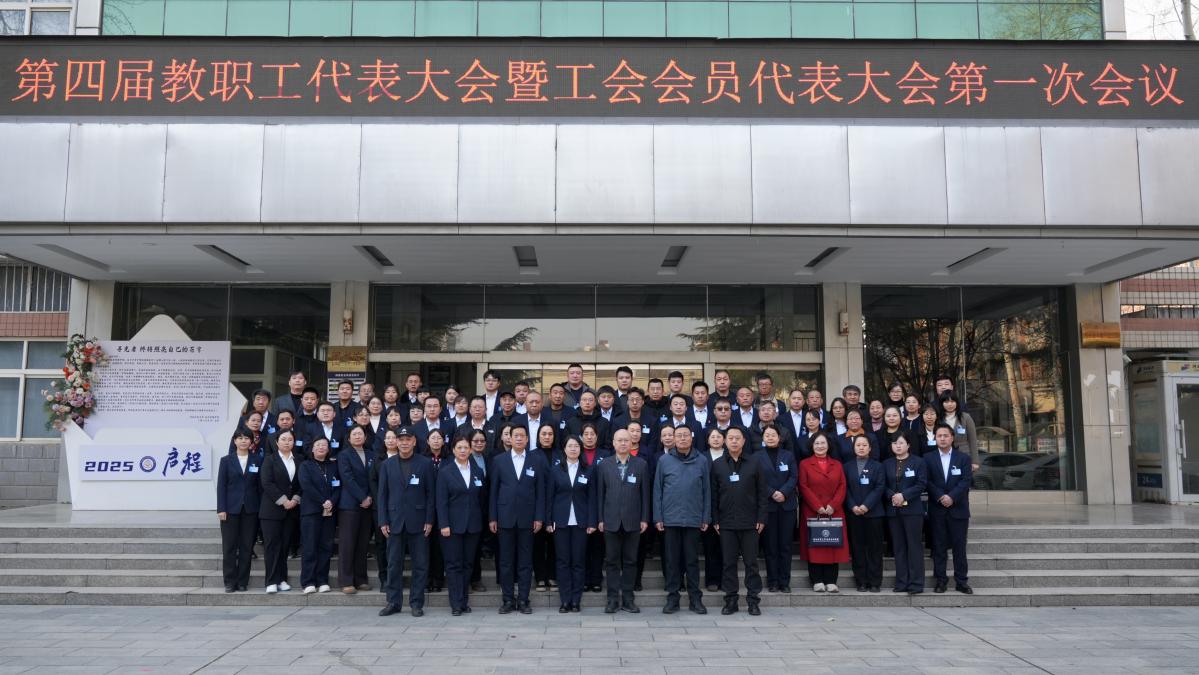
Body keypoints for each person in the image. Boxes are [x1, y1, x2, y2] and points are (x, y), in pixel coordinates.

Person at [710, 423, 768, 616]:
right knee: (728, 563)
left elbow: (762, 493)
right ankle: (731, 600)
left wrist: (761, 517)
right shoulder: (717, 464)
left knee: (751, 563)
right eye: (730, 438)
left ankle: (753, 600)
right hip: (726, 522)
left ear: (743, 441)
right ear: (725, 441)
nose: (734, 441)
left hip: (750, 522)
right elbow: (714, 495)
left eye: (737, 438)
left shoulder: (754, 463)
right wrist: (715, 519)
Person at [378, 426, 436, 617]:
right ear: (396, 442)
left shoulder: (425, 464)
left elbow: (431, 494)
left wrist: (429, 519)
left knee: (420, 564)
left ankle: (416, 603)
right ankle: (393, 602)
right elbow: (382, 495)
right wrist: (383, 520)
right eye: (401, 439)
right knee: (394, 564)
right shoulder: (387, 465)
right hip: (394, 521)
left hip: (419, 521)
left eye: (407, 439)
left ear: (414, 441)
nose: (404, 443)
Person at [489, 425, 548, 614]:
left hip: (528, 519)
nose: (519, 439)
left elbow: (540, 492)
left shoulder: (536, 460)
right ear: (510, 438)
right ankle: (507, 599)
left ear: (527, 439)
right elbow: (493, 492)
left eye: (523, 436)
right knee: (506, 562)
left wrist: (539, 517)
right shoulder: (499, 460)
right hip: (504, 518)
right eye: (516, 436)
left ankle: (523, 599)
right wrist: (493, 517)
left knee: (525, 562)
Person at [653, 426, 710, 614]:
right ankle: (673, 598)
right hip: (670, 519)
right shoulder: (664, 460)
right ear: (674, 439)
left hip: (693, 518)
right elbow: (657, 490)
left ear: (691, 438)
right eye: (679, 436)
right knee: (672, 561)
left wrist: (705, 516)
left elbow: (707, 491)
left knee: (692, 561)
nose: (683, 438)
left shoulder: (702, 460)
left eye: (686, 435)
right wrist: (658, 516)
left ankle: (695, 599)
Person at [594, 429, 650, 613]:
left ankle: (628, 599)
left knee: (631, 561)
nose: (623, 443)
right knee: (611, 561)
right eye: (620, 440)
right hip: (610, 521)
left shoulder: (641, 464)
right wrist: (600, 518)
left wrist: (644, 518)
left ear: (632, 442)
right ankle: (612, 600)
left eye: (626, 440)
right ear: (613, 443)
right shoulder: (604, 465)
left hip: (633, 521)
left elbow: (645, 495)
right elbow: (600, 494)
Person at [437, 436, 487, 616]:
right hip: (452, 527)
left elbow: (482, 499)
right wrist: (444, 524)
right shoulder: (445, 472)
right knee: (453, 565)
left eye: (466, 447)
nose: (463, 450)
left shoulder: (477, 471)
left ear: (471, 450)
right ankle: (456, 603)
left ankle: (464, 601)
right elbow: (441, 501)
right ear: (453, 450)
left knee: (468, 564)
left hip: (473, 526)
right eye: (460, 447)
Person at [925, 423, 974, 594]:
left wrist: (951, 496)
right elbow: (927, 481)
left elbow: (966, 481)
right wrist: (941, 496)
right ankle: (941, 581)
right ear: (935, 438)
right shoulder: (928, 458)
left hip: (958, 509)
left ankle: (961, 581)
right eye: (939, 436)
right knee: (939, 547)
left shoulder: (964, 458)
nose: (943, 438)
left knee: (960, 548)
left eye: (946, 435)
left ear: (952, 438)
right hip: (937, 509)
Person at [798, 431, 849, 593]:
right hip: (813, 510)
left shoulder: (837, 464)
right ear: (812, 446)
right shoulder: (805, 464)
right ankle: (817, 580)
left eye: (823, 443)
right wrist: (817, 506)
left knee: (833, 543)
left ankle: (831, 580)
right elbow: (803, 486)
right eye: (817, 443)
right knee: (815, 545)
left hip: (834, 510)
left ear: (829, 445)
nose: (820, 446)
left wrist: (833, 505)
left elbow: (842, 486)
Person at [546, 435, 593, 613]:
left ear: (580, 449)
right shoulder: (555, 470)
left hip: (581, 522)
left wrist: (592, 521)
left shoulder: (588, 470)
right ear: (564, 449)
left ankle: (576, 600)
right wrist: (548, 520)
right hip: (561, 522)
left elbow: (592, 498)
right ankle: (565, 600)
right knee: (563, 561)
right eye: (570, 446)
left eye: (576, 446)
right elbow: (549, 497)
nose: (573, 449)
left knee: (578, 561)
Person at [217, 429, 262, 593]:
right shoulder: (226, 460)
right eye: (240, 438)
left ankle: (243, 581)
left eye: (247, 438)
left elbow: (260, 487)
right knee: (229, 547)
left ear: (251, 441)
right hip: (230, 509)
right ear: (234, 441)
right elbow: (221, 486)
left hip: (251, 509)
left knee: (246, 547)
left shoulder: (258, 459)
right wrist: (221, 508)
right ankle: (229, 582)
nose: (243, 441)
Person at [756, 424, 798, 593]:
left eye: (773, 435)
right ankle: (772, 581)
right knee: (770, 546)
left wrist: (784, 492)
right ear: (763, 438)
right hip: (768, 506)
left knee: (785, 546)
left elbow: (794, 476)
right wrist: (772, 493)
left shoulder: (788, 455)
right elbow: (756, 479)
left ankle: (784, 582)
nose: (770, 437)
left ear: (779, 438)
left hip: (787, 506)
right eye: (767, 435)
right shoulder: (757, 457)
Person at [259, 428, 301, 594]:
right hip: (271, 510)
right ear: (276, 442)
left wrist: (295, 500)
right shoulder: (269, 460)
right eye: (283, 439)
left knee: (284, 547)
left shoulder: (298, 460)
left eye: (290, 439)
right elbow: (267, 483)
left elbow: (300, 483)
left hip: (291, 511)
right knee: (272, 546)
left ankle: (282, 579)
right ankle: (270, 581)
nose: (287, 442)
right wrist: (284, 501)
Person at [885, 434, 927, 594]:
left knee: (914, 546)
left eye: (901, 443)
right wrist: (893, 496)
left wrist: (904, 495)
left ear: (908, 445)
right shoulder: (887, 464)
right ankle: (901, 582)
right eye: (894, 443)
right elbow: (882, 484)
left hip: (913, 511)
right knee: (899, 547)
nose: (898, 446)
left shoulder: (918, 462)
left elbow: (921, 483)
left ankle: (916, 583)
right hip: (894, 511)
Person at [844, 434, 885, 593]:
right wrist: (853, 506)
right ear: (853, 448)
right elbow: (845, 489)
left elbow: (879, 487)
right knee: (857, 548)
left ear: (870, 448)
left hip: (874, 513)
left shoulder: (878, 466)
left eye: (864, 445)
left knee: (875, 548)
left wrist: (866, 505)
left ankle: (875, 582)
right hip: (854, 513)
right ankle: (861, 581)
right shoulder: (847, 466)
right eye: (858, 445)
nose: (861, 448)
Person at [298, 436, 338, 594]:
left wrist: (331, 501)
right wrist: (323, 501)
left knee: (326, 547)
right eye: (318, 445)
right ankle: (308, 581)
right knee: (310, 546)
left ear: (328, 449)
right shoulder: (305, 465)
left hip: (329, 512)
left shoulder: (333, 466)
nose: (321, 447)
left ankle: (322, 580)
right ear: (312, 449)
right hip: (311, 511)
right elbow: (306, 486)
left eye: (324, 445)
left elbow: (338, 486)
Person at [337, 426, 375, 594]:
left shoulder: (372, 454)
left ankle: (361, 579)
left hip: (368, 504)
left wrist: (370, 497)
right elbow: (348, 479)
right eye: (354, 434)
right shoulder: (344, 455)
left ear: (365, 437)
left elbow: (374, 478)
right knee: (348, 544)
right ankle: (346, 581)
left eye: (361, 434)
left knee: (362, 543)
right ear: (349, 438)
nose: (358, 436)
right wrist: (362, 498)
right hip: (350, 505)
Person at [370, 428, 400, 588]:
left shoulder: (406, 457)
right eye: (387, 438)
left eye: (393, 437)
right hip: (381, 507)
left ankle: (396, 576)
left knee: (398, 544)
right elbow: (373, 481)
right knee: (382, 543)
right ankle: (384, 578)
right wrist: (379, 500)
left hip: (400, 508)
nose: (390, 440)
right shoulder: (378, 459)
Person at [532, 424, 560, 592]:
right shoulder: (531, 455)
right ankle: (540, 577)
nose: (547, 437)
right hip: (537, 505)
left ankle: (552, 575)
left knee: (554, 544)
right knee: (538, 544)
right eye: (544, 434)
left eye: (550, 434)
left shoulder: (561, 454)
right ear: (538, 436)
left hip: (557, 506)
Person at [700, 428, 727, 591]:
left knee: (726, 547)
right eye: (713, 437)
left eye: (719, 437)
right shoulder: (702, 457)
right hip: (707, 506)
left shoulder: (730, 455)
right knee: (710, 547)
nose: (716, 439)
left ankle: (726, 580)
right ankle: (712, 580)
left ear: (724, 440)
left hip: (727, 507)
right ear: (708, 440)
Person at [937, 391, 980, 469]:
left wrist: (975, 461)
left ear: (957, 402)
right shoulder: (938, 418)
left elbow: (973, 440)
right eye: (946, 402)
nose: (950, 404)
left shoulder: (966, 417)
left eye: (952, 401)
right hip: (943, 455)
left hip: (964, 454)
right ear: (941, 403)